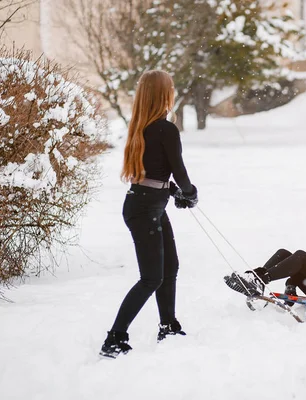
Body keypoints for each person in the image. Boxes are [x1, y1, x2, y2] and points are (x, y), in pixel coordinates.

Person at [99, 70, 198, 359]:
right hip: (145, 210)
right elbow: (178, 168)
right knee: (152, 277)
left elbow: (153, 174)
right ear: (163, 94)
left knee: (171, 266)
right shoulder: (165, 129)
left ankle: (168, 324)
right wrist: (189, 192)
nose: (174, 91)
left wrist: (174, 192)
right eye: (171, 88)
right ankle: (115, 337)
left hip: (146, 204)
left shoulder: (142, 127)